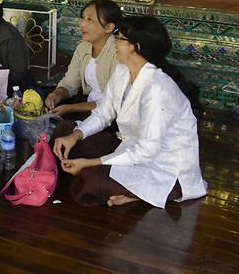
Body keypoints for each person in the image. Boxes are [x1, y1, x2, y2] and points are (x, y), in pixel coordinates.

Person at [52, 16, 207, 208]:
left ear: (136, 47)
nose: (114, 42)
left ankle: (166, 190)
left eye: (119, 38)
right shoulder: (122, 71)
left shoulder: (158, 88)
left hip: (163, 164)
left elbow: (147, 151)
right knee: (64, 131)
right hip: (129, 148)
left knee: (91, 180)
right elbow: (103, 113)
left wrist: (90, 164)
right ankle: (125, 187)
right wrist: (75, 136)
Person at [44, 0, 121, 118]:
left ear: (109, 27)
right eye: (83, 18)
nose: (82, 24)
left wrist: (72, 108)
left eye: (90, 20)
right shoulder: (83, 48)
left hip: (111, 114)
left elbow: (114, 103)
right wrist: (57, 94)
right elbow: (70, 83)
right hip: (89, 104)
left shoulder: (118, 53)